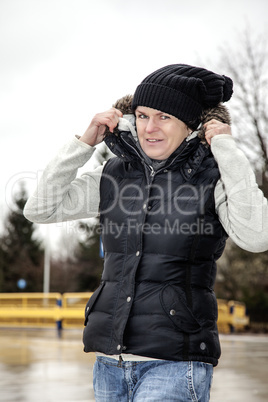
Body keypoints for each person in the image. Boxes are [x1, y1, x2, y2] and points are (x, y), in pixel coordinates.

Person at [24, 64, 268, 401]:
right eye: (141, 115)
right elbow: (40, 208)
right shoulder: (113, 176)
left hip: (174, 362)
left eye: (164, 117)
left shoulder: (214, 180)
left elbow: (257, 236)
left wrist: (227, 151)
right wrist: (83, 144)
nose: (149, 128)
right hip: (110, 361)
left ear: (190, 125)